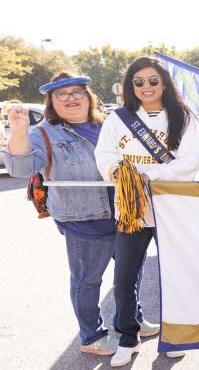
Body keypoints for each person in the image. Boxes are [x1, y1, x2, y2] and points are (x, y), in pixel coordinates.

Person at [0, 73, 156, 356]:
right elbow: (21, 170)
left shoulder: (111, 124)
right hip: (85, 222)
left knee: (129, 276)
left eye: (77, 92)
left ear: (89, 96)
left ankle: (132, 322)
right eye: (62, 94)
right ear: (51, 101)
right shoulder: (43, 133)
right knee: (88, 281)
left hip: (128, 215)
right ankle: (92, 335)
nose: (71, 98)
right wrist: (19, 130)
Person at [95, 56, 199, 366]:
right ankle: (128, 338)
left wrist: (146, 174)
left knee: (173, 275)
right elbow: (104, 155)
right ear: (131, 86)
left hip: (172, 208)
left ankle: (175, 335)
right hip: (131, 209)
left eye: (153, 81)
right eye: (138, 81)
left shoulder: (183, 117)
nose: (146, 87)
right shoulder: (118, 119)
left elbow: (188, 164)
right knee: (124, 277)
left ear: (164, 83)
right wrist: (120, 172)